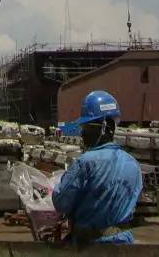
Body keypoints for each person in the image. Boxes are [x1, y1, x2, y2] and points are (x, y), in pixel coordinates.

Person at [52, 90, 142, 244]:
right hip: (125, 244)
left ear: (103, 127)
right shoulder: (133, 164)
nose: (82, 134)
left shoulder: (85, 163)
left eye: (86, 127)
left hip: (91, 246)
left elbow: (61, 201)